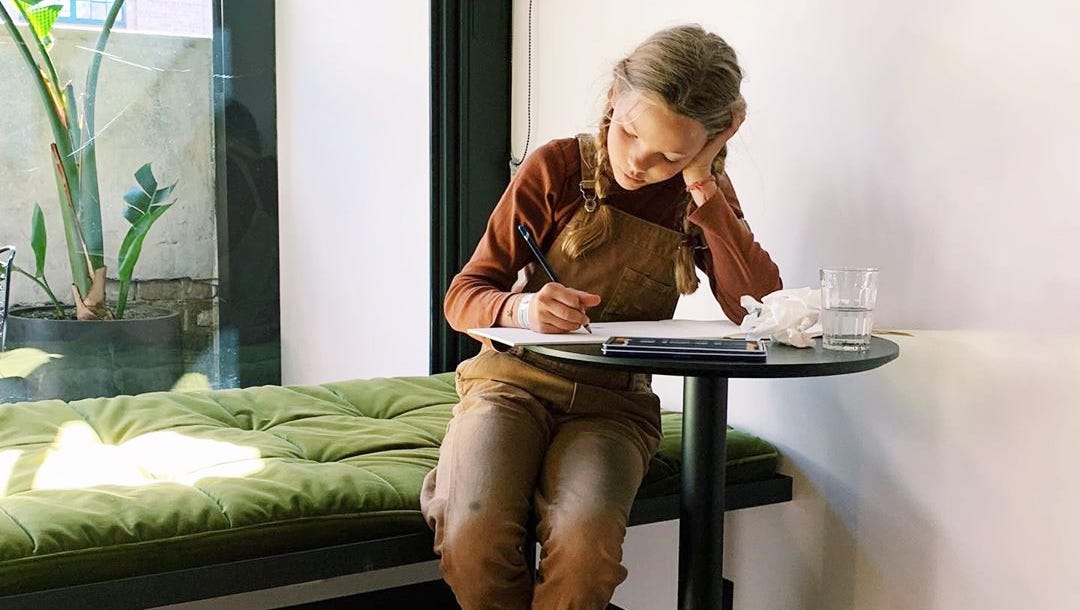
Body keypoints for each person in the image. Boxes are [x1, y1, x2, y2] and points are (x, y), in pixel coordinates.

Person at [420, 24, 782, 610]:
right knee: (473, 532)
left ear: (709, 144)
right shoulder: (558, 167)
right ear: (614, 96)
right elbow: (464, 294)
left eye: (671, 154)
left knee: (586, 551)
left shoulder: (699, 196)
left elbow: (757, 308)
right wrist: (523, 307)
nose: (638, 162)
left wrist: (703, 185)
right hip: (511, 385)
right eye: (631, 132)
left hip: (614, 405)